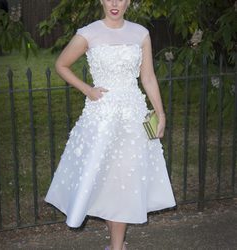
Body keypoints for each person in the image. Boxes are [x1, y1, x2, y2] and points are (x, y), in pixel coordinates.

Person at [45, 1, 176, 249]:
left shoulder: (141, 34)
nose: (115, 3)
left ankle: (116, 246)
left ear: (128, 1)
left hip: (133, 119)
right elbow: (61, 64)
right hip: (101, 118)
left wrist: (161, 113)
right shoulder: (88, 33)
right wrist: (87, 89)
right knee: (106, 181)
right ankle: (117, 243)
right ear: (102, 0)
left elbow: (147, 77)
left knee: (124, 180)